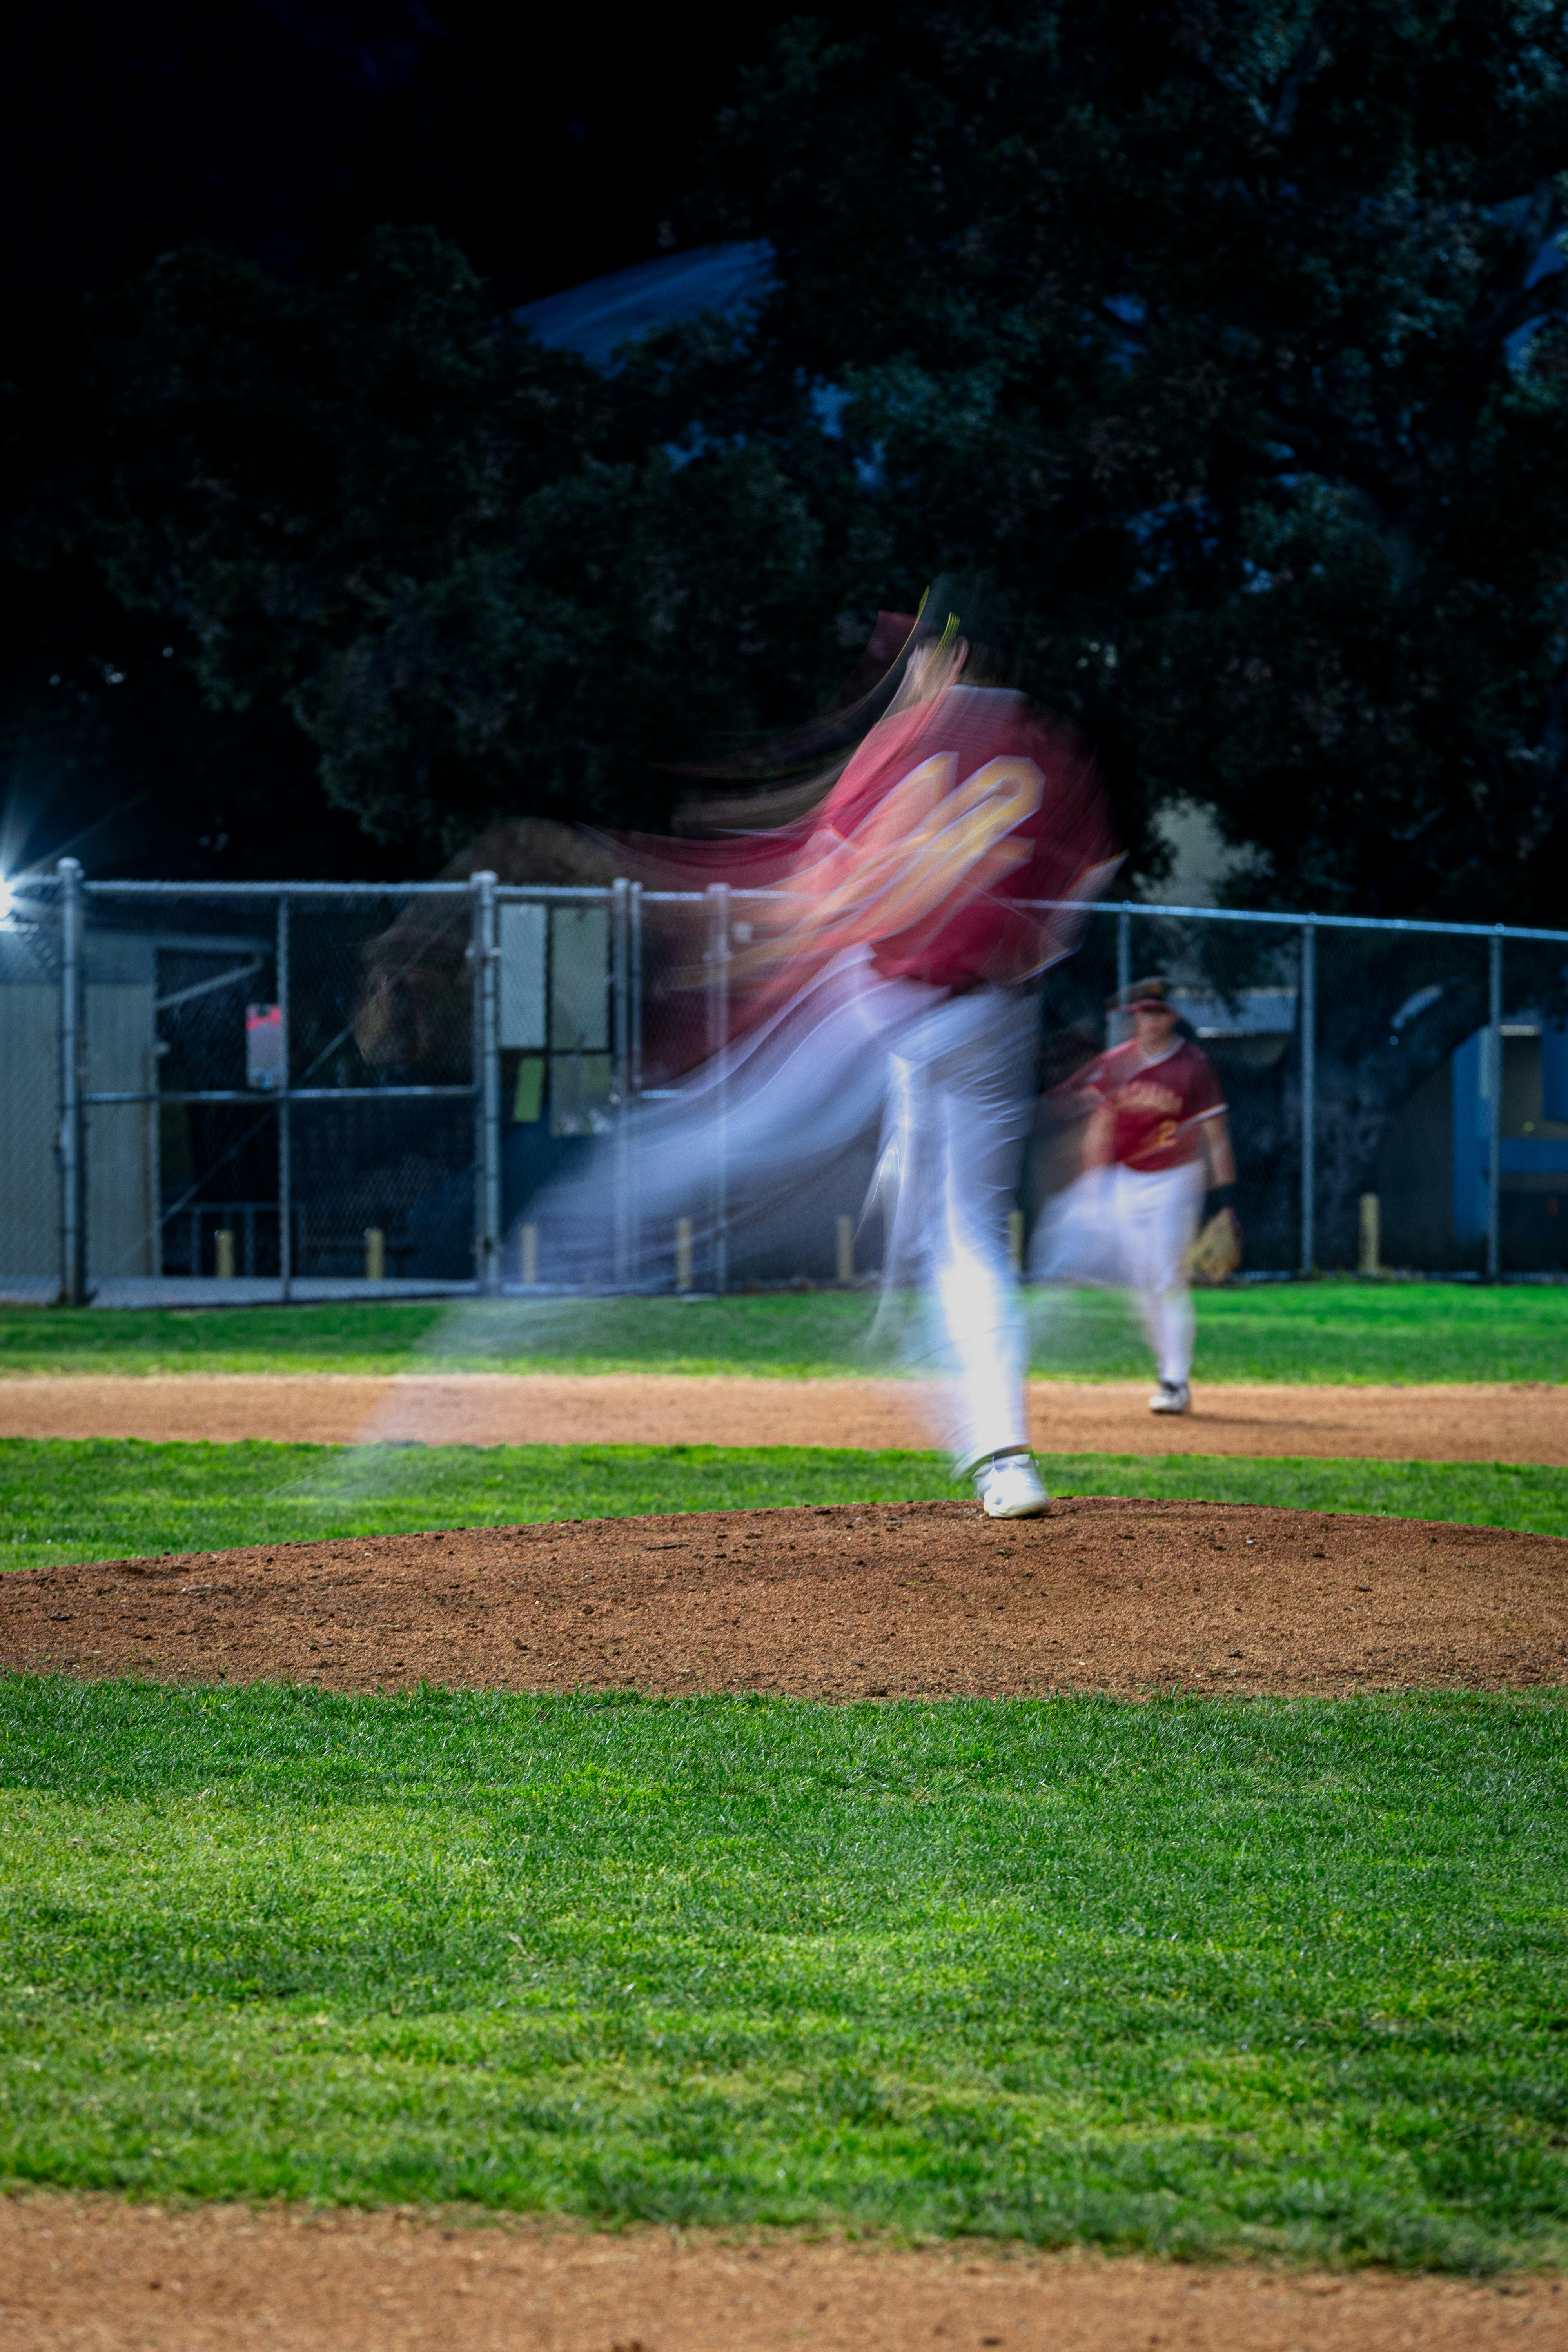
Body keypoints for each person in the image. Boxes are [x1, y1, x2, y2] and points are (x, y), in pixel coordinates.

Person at [529, 584, 1117, 1517]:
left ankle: (583, 1250)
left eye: (919, 657)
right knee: (965, 1234)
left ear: (949, 657)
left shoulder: (908, 739)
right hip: (989, 1015)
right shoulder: (1054, 751)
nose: (909, 674)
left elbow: (821, 896)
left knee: (749, 1126)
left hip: (882, 996)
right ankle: (1006, 1459)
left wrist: (712, 903)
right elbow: (1074, 898)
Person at [1070, 978, 1236, 1413]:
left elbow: (1216, 1138)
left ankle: (1174, 1379)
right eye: (1143, 1012)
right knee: (1142, 1285)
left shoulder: (1193, 1066)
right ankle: (1167, 1372)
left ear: (1173, 1017)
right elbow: (1100, 1130)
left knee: (1165, 1279)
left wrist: (1227, 1201)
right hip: (1126, 1180)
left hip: (1175, 1180)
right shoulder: (1115, 1065)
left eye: (1157, 1011)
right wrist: (1091, 1192)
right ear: (1134, 1017)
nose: (1150, 1019)